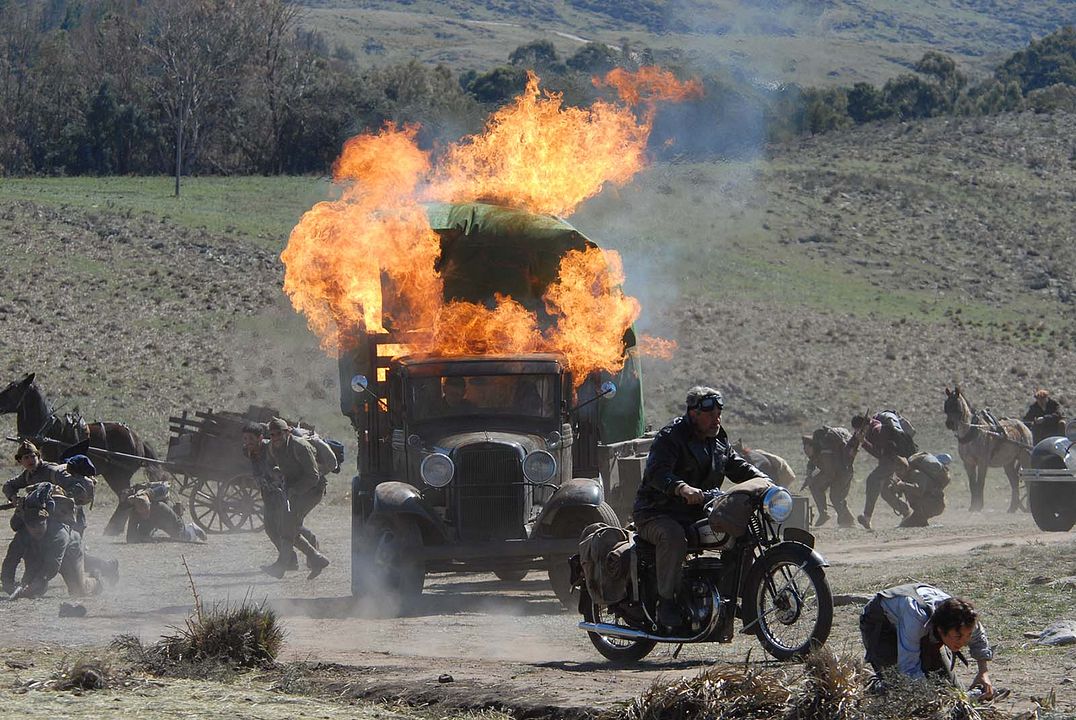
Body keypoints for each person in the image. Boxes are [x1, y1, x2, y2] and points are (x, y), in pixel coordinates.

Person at [632, 386, 768, 628]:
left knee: (741, 533)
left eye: (719, 412)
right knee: (673, 537)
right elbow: (656, 472)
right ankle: (667, 603)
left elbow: (735, 465)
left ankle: (735, 598)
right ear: (694, 413)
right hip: (657, 512)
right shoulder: (671, 436)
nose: (717, 417)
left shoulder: (717, 438)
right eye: (711, 413)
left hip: (697, 512)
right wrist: (681, 488)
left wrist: (764, 481)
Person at [860, 583, 995, 698]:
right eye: (958, 637)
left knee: (950, 686)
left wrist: (983, 673)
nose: (963, 642)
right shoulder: (916, 619)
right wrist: (934, 697)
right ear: (941, 631)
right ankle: (873, 685)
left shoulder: (965, 618)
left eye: (967, 636)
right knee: (901, 686)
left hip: (921, 623)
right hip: (881, 623)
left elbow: (979, 640)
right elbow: (908, 669)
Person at [241, 422, 319, 573]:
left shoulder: (270, 449)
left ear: (260, 438)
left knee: (285, 526)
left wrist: (280, 484)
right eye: (245, 438)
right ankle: (291, 558)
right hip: (268, 493)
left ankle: (302, 550)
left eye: (250, 438)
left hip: (281, 492)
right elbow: (256, 470)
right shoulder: (248, 451)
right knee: (272, 528)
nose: (247, 442)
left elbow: (282, 470)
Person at [2, 489, 103, 599]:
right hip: (39, 553)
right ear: (26, 525)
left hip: (69, 552)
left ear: (46, 521)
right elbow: (10, 561)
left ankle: (95, 581)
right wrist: (8, 585)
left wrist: (40, 579)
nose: (37, 530)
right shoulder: (22, 535)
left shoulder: (60, 534)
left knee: (78, 591)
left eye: (40, 525)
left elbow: (52, 564)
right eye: (32, 526)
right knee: (34, 590)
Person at [265, 417, 329, 579]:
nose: (275, 437)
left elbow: (313, 476)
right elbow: (272, 465)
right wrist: (276, 472)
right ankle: (316, 558)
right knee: (288, 526)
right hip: (294, 490)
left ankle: (282, 566)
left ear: (287, 432)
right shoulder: (273, 448)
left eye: (278, 433)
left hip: (312, 490)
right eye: (272, 435)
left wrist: (295, 490)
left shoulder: (300, 447)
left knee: (288, 525)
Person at [851, 413, 912, 531]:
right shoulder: (874, 428)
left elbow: (880, 453)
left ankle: (867, 516)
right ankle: (906, 512)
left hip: (892, 461)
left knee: (872, 480)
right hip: (888, 462)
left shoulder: (878, 430)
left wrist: (864, 442)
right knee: (885, 492)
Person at [801, 425, 857, 528]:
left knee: (835, 497)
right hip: (843, 473)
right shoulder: (817, 453)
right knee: (836, 497)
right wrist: (809, 477)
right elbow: (811, 464)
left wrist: (820, 481)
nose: (805, 450)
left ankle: (842, 520)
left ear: (812, 446)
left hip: (841, 474)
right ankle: (846, 520)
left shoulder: (825, 453)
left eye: (806, 447)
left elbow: (830, 472)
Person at [125, 482, 207, 543]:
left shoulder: (161, 508)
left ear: (150, 506)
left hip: (166, 519)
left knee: (181, 537)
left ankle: (192, 528)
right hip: (152, 522)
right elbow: (130, 538)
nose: (144, 514)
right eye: (141, 512)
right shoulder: (134, 512)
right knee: (142, 537)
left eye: (146, 511)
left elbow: (178, 524)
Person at [3, 440, 74, 503]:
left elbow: (72, 486)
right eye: (26, 457)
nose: (30, 460)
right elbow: (8, 485)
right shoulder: (27, 475)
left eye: (33, 456)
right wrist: (14, 498)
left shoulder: (51, 470)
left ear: (38, 457)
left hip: (62, 512)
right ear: (20, 461)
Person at [893, 452, 951, 528]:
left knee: (906, 525)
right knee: (904, 525)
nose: (898, 473)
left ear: (906, 467)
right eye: (896, 470)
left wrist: (903, 485)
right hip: (924, 507)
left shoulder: (917, 474)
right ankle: (923, 522)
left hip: (934, 504)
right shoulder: (907, 477)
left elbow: (919, 491)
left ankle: (925, 523)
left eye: (900, 469)